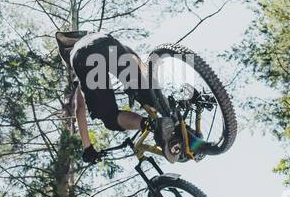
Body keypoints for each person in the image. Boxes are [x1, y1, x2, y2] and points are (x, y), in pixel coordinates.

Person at [55, 30, 196, 164]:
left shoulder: (77, 53)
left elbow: (80, 109)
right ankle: (185, 128)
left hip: (84, 58)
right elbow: (139, 64)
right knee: (149, 94)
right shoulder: (95, 36)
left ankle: (152, 124)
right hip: (108, 42)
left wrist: (87, 148)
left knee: (109, 117)